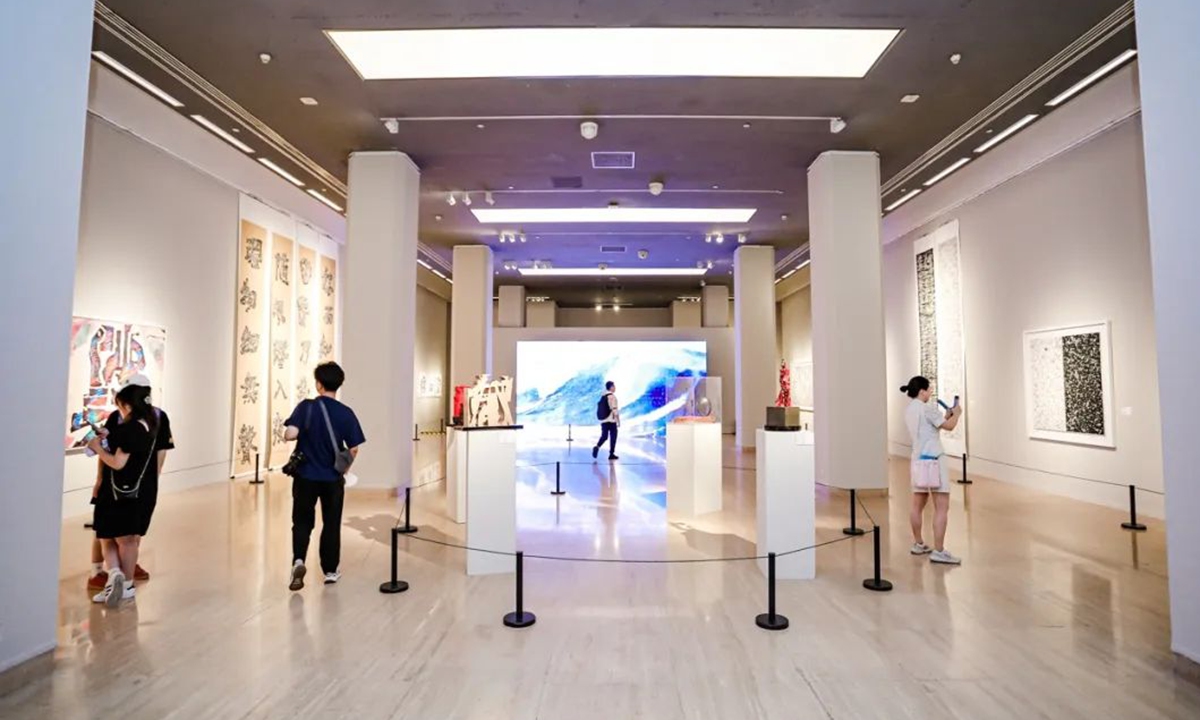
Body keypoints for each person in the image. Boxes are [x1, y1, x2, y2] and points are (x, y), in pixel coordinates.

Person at [87, 376, 169, 606]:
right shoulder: (154, 421)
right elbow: (161, 453)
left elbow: (117, 462)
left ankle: (112, 574)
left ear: (127, 402)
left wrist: (97, 449)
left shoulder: (126, 427)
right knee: (131, 539)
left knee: (107, 535)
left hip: (116, 490)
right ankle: (126, 584)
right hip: (142, 489)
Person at [283, 362, 365, 590]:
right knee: (331, 523)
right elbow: (354, 447)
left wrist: (289, 434)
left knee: (301, 521)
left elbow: (291, 433)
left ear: (318, 384)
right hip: (332, 479)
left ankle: (298, 560)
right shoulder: (346, 413)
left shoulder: (306, 407)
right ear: (338, 385)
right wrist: (344, 469)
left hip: (305, 476)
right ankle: (330, 570)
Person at [902, 376, 963, 565]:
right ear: (922, 391)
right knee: (942, 507)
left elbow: (932, 426)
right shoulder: (927, 408)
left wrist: (945, 416)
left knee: (917, 505)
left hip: (918, 460)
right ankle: (939, 550)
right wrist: (958, 413)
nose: (930, 394)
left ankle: (918, 543)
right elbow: (950, 427)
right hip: (935, 460)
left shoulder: (910, 409)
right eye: (929, 390)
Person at [592, 381, 619, 461]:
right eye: (614, 386)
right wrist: (618, 420)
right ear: (610, 387)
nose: (615, 388)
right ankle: (611, 454)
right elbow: (614, 409)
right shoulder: (612, 397)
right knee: (613, 437)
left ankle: (597, 446)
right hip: (611, 420)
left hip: (604, 420)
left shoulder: (603, 396)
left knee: (604, 436)